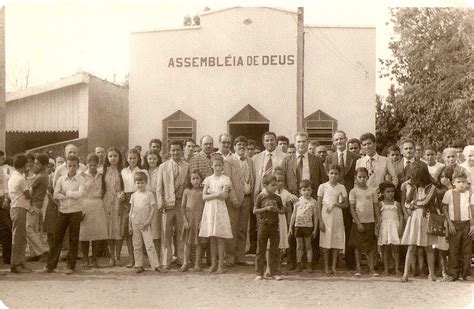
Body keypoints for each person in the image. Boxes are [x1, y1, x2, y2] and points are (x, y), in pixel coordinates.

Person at [280, 132, 327, 270]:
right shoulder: (287, 160)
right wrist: (289, 195)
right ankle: (293, 262)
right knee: (294, 231)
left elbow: (322, 180)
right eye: (298, 142)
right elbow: (282, 180)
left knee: (311, 231)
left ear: (308, 142)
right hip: (293, 200)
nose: (301, 144)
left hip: (311, 200)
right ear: (295, 143)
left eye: (304, 141)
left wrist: (318, 199)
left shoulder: (316, 160)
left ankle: (311, 262)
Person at [42, 155, 84, 274]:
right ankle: (50, 266)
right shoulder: (61, 179)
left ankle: (71, 266)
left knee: (73, 238)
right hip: (63, 211)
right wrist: (71, 194)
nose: (71, 168)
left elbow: (80, 194)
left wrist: (65, 193)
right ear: (66, 166)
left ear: (77, 166)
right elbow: (55, 195)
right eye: (69, 165)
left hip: (76, 212)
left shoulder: (81, 179)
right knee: (57, 238)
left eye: (74, 166)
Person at [325, 130, 358, 269]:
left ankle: (349, 260)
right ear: (334, 142)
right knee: (334, 228)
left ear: (346, 139)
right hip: (333, 198)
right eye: (336, 140)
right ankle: (335, 261)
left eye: (341, 139)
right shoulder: (329, 158)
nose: (339, 142)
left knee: (349, 228)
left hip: (349, 197)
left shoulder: (355, 157)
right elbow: (327, 177)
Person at [400, 161, 438, 282]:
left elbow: (425, 201)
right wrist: (412, 204)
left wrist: (413, 204)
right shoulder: (414, 187)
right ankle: (405, 274)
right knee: (411, 246)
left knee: (428, 247)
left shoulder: (431, 187)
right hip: (415, 218)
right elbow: (406, 203)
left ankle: (431, 274)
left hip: (426, 218)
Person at [250, 132, 286, 254]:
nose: (269, 142)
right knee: (261, 226)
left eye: (272, 140)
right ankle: (263, 254)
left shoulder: (284, 157)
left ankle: (276, 255)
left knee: (275, 226)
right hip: (261, 195)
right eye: (267, 140)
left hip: (276, 196)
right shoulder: (256, 158)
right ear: (263, 142)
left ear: (276, 141)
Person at [157, 141, 189, 270]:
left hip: (181, 203)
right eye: (173, 150)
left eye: (178, 150)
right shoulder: (163, 167)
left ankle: (181, 258)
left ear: (182, 151)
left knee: (181, 232)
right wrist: (161, 203)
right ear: (169, 152)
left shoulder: (187, 166)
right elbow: (160, 187)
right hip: (167, 204)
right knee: (166, 233)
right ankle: (166, 260)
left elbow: (188, 184)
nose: (175, 153)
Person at [223, 136, 254, 266]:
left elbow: (253, 179)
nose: (241, 147)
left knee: (242, 229)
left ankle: (240, 257)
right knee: (232, 229)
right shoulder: (229, 161)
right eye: (239, 144)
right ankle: (230, 258)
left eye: (243, 144)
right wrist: (234, 199)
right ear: (234, 147)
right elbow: (228, 181)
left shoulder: (250, 161)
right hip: (234, 200)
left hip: (247, 200)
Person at [199, 155, 233, 274]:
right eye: (215, 165)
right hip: (210, 210)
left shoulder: (225, 179)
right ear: (211, 166)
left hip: (220, 210)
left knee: (220, 238)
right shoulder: (208, 179)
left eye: (219, 165)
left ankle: (220, 265)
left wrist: (212, 194)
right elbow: (204, 197)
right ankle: (213, 263)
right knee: (212, 237)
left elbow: (225, 196)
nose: (217, 168)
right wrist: (217, 194)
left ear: (222, 166)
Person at [442, 169, 474, 281]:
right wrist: (449, 224)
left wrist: (472, 226)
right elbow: (444, 208)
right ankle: (453, 274)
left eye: (464, 182)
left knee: (467, 250)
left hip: (466, 225)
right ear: (453, 182)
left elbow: (472, 210)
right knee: (453, 250)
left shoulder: (470, 194)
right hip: (454, 225)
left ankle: (466, 273)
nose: (461, 184)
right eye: (459, 181)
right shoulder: (449, 193)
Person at [317, 164, 348, 276]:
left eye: (336, 173)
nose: (333, 176)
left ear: (339, 175)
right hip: (325, 215)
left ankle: (334, 267)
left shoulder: (341, 187)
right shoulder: (322, 187)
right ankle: (326, 267)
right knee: (326, 242)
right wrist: (320, 221)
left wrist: (336, 203)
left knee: (335, 241)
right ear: (327, 173)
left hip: (337, 215)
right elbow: (319, 204)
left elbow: (346, 204)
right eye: (331, 173)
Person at [349, 167, 380, 277]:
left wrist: (378, 221)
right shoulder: (353, 191)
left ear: (368, 177)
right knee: (358, 246)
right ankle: (358, 268)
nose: (362, 179)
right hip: (358, 222)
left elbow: (376, 206)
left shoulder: (372, 191)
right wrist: (358, 223)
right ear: (356, 178)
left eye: (364, 177)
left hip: (370, 222)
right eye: (359, 177)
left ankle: (371, 268)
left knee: (370, 247)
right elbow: (352, 208)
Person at [121, 149, 149, 268]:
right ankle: (133, 260)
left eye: (134, 158)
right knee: (129, 230)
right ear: (127, 159)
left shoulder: (143, 171)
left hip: (139, 197)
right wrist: (121, 194)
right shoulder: (123, 171)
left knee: (141, 229)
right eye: (130, 158)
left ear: (138, 159)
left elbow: (145, 186)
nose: (132, 160)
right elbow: (122, 186)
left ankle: (141, 260)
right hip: (127, 200)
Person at [79, 154, 108, 268]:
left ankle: (94, 258)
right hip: (85, 204)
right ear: (86, 165)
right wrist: (80, 209)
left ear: (98, 164)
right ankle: (85, 258)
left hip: (97, 205)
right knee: (84, 234)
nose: (92, 167)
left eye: (94, 165)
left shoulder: (101, 176)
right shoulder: (81, 176)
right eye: (90, 165)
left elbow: (105, 190)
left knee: (96, 234)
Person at [253, 174, 284, 281]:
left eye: (276, 185)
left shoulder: (277, 198)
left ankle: (274, 272)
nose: (275, 187)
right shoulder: (260, 196)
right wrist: (266, 208)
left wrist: (277, 210)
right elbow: (255, 210)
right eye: (273, 185)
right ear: (265, 185)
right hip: (263, 226)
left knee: (274, 249)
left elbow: (282, 210)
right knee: (261, 249)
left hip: (274, 226)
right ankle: (259, 272)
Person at [129, 171, 160, 274]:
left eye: (142, 182)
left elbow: (152, 209)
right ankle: (139, 265)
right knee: (137, 245)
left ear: (146, 182)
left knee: (149, 245)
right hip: (135, 223)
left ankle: (155, 265)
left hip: (145, 224)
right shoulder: (133, 196)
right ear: (135, 183)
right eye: (137, 183)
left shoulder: (149, 194)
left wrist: (148, 221)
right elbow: (131, 210)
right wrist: (130, 225)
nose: (140, 185)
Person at [8, 154, 33, 273]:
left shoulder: (13, 176)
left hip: (17, 207)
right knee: (18, 237)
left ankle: (20, 262)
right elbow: (29, 195)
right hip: (19, 208)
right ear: (23, 165)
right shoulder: (20, 178)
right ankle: (15, 264)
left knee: (20, 236)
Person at [289, 179, 318, 273]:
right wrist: (290, 228)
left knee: (308, 246)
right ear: (300, 191)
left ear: (312, 190)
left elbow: (316, 217)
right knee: (299, 246)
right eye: (304, 190)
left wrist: (315, 229)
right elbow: (293, 215)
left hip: (308, 227)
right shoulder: (297, 201)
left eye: (309, 190)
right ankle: (299, 264)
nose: (306, 192)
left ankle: (309, 264)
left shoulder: (314, 202)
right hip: (298, 226)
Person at [102, 147, 125, 266]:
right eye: (110, 156)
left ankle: (118, 256)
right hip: (107, 201)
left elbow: (126, 186)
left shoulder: (123, 171)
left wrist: (123, 195)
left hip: (119, 201)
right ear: (107, 157)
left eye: (115, 156)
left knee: (118, 228)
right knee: (109, 229)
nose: (113, 158)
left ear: (119, 157)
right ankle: (111, 256)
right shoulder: (104, 171)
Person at [25, 154, 49, 262]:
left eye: (38, 164)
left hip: (34, 206)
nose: (35, 165)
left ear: (44, 165)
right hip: (36, 205)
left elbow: (28, 190)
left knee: (28, 229)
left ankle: (42, 252)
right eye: (35, 163)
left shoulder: (41, 176)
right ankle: (35, 253)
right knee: (33, 230)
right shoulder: (41, 175)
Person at [180, 169, 205, 272]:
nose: (195, 181)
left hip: (199, 220)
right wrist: (185, 220)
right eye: (193, 178)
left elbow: (205, 208)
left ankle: (197, 264)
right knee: (188, 243)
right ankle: (185, 263)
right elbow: (182, 207)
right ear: (190, 180)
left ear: (201, 180)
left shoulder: (203, 192)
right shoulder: (187, 191)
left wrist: (202, 222)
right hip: (189, 220)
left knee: (198, 243)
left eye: (197, 178)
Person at [378, 181, 403, 276]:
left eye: (392, 191)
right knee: (385, 249)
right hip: (385, 227)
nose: (390, 193)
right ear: (383, 193)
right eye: (388, 191)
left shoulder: (397, 204)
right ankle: (386, 269)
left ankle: (396, 269)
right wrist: (378, 228)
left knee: (396, 249)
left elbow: (400, 216)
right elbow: (378, 217)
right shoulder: (380, 204)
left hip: (395, 227)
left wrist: (401, 228)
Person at [143, 149, 162, 262]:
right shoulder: (144, 171)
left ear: (158, 159)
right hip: (145, 201)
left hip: (156, 200)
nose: (152, 161)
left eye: (154, 158)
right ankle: (149, 258)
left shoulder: (160, 170)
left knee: (156, 231)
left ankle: (157, 257)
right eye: (150, 158)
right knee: (146, 230)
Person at [0, 150, 11, 265]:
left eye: (2, 159)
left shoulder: (2, 171)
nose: (1, 161)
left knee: (6, 228)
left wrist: (6, 199)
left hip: (1, 199)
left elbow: (6, 186)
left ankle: (7, 257)